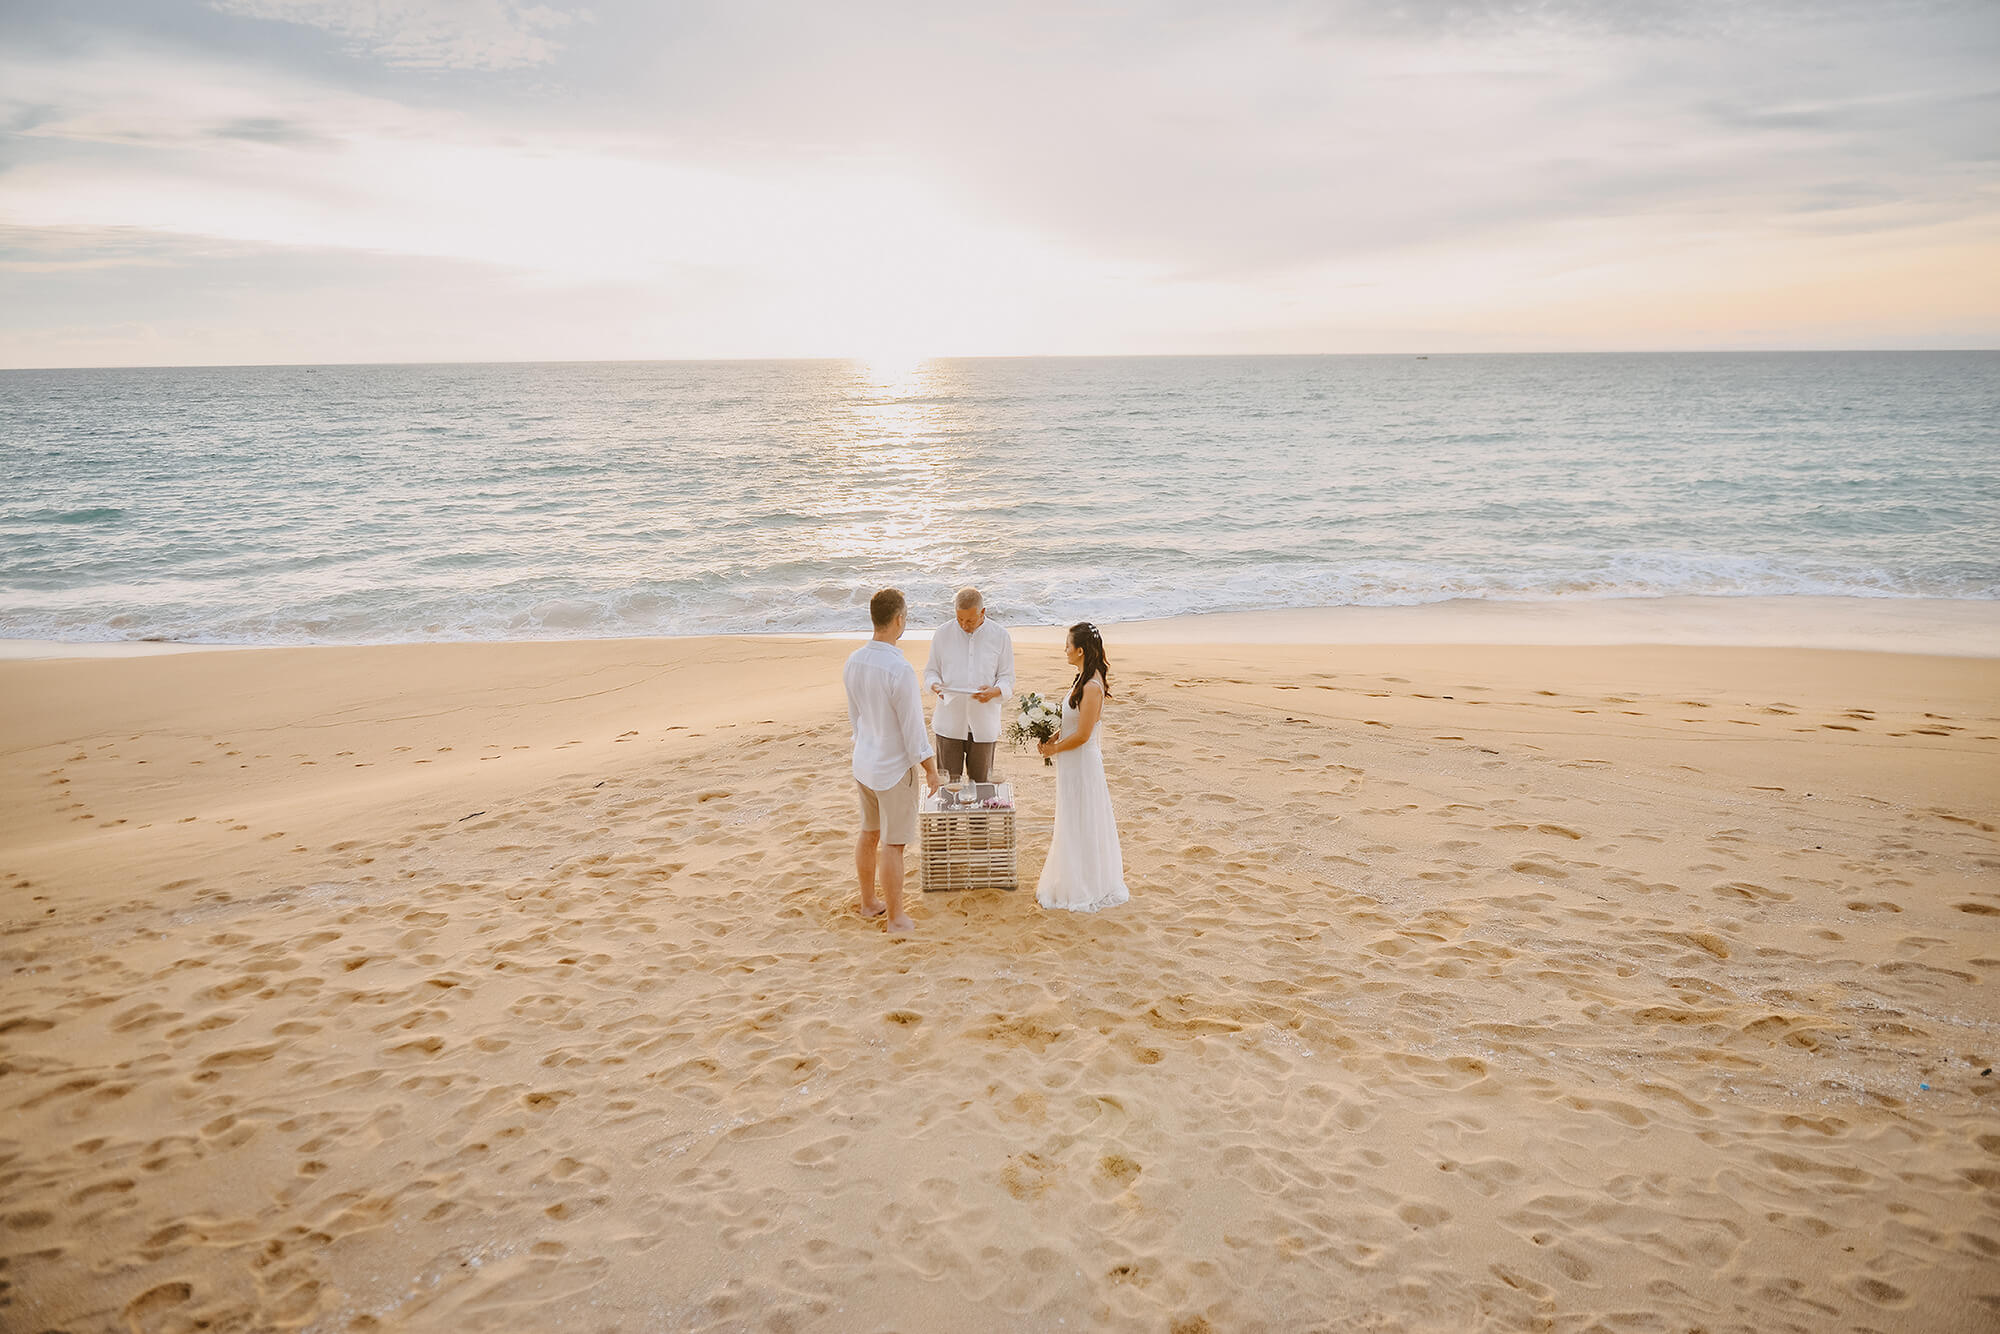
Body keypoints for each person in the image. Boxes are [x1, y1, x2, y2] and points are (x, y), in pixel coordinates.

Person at [845, 587, 942, 932]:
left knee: (868, 833)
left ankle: (869, 903)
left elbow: (854, 720)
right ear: (899, 620)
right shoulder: (898, 669)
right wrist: (930, 770)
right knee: (894, 844)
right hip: (891, 769)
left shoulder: (853, 661)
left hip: (864, 763)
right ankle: (897, 917)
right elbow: (913, 730)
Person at [1035, 621, 1129, 912]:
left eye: (1067, 645)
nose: (1064, 649)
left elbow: (1085, 734)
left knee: (1082, 820)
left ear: (1079, 650)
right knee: (1072, 818)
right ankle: (1074, 875)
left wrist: (1054, 749)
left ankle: (1085, 884)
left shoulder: (1091, 685)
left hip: (1082, 763)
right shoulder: (1082, 677)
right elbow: (1072, 724)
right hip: (1071, 762)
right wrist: (1053, 736)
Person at [924, 587, 1015, 784]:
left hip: (984, 724)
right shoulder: (942, 634)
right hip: (948, 724)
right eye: (960, 620)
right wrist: (935, 685)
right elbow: (930, 672)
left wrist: (995, 691)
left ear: (983, 612)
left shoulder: (1000, 636)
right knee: (948, 788)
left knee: (982, 788)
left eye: (970, 620)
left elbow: (1007, 678)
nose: (964, 625)